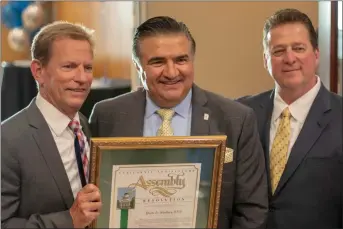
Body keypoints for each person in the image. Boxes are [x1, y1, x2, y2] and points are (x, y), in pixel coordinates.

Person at [90, 16, 268, 228]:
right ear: (138, 68)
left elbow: (252, 210)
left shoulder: (236, 119)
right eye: (158, 62)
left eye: (181, 60)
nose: (172, 72)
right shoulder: (108, 115)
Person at [237, 8, 342, 228]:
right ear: (266, 60)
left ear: (316, 54)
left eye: (298, 48)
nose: (290, 58)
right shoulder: (240, 113)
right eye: (278, 51)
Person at [1, 21, 102, 228]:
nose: (82, 78)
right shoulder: (7, 140)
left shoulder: (84, 124)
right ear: (38, 71)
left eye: (88, 67)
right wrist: (70, 220)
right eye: (69, 66)